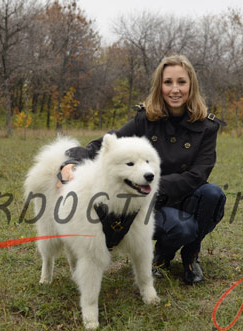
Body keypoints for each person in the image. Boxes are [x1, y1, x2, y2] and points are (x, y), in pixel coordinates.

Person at [58, 55, 226, 284]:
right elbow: (106, 144)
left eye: (181, 82)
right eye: (168, 82)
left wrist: (155, 183)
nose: (175, 89)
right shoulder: (145, 119)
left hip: (182, 193)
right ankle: (162, 257)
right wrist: (71, 162)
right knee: (183, 228)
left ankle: (191, 255)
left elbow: (198, 174)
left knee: (213, 195)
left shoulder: (207, 126)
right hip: (148, 202)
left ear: (191, 86)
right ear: (160, 86)